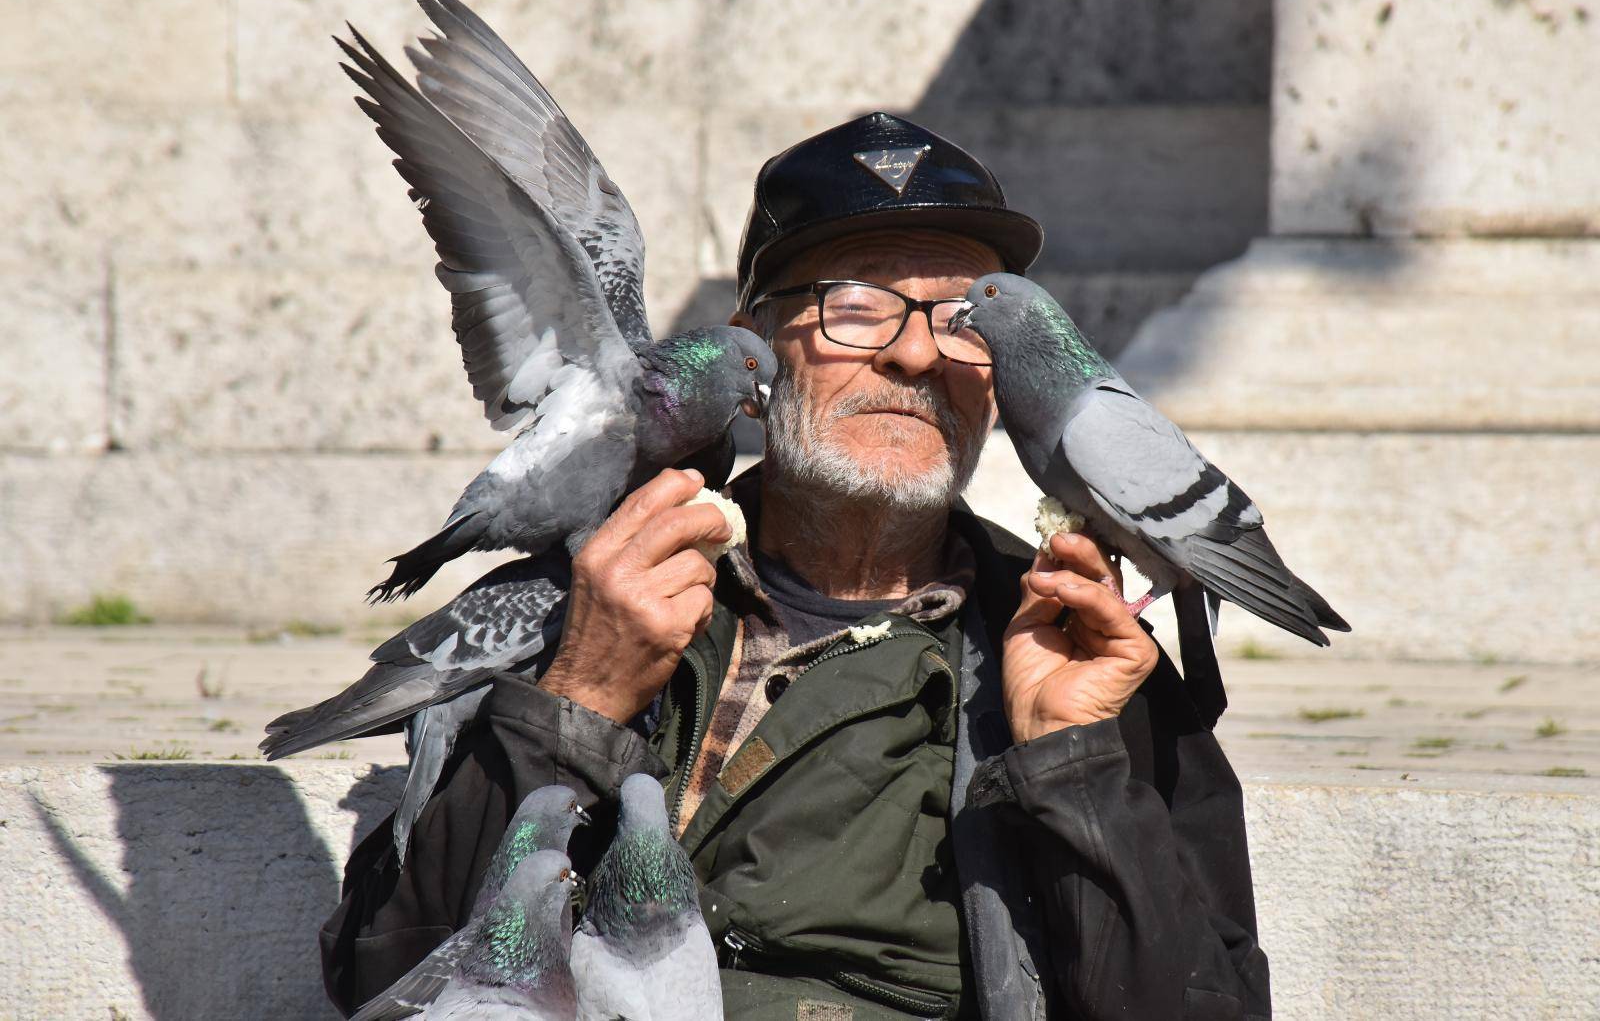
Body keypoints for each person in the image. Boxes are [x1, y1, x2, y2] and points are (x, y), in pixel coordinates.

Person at [321, 112, 1271, 1020]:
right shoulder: (595, 589)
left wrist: (1070, 769)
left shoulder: (1083, 654)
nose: (913, 353)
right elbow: (386, 963)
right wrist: (572, 704)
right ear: (759, 343)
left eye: (957, 318)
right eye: (853, 307)